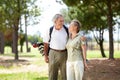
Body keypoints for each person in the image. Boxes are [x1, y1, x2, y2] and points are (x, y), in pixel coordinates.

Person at [43, 14, 68, 80]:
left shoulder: (66, 29)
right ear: (55, 21)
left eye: (63, 21)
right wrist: (46, 56)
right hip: (53, 53)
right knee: (52, 74)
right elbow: (45, 44)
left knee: (65, 74)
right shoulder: (49, 30)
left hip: (64, 53)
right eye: (60, 21)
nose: (62, 22)